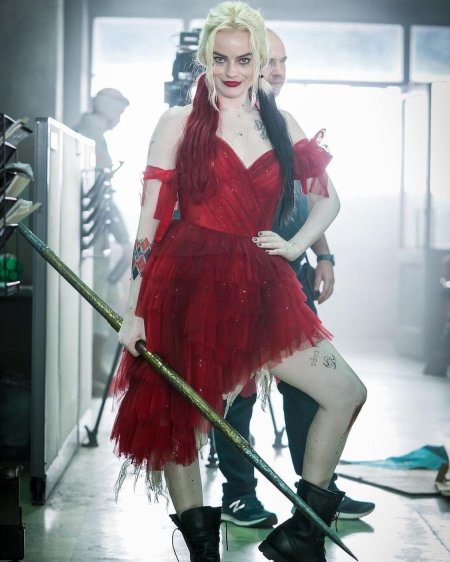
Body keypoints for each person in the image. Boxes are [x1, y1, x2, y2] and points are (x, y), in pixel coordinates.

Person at [112, 3, 367, 561]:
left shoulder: (281, 121)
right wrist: (134, 311)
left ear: (260, 61)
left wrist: (297, 246)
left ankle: (302, 534)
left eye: (245, 59)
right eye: (221, 58)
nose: (232, 71)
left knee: (346, 392)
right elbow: (149, 224)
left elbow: (329, 199)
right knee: (184, 419)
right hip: (189, 285)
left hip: (264, 288)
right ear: (205, 57)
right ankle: (202, 547)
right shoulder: (177, 123)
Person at [215, 29, 375, 530]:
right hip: (233, 280)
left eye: (283, 61)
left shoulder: (284, 125)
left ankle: (317, 490)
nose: (277, 70)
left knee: (310, 388)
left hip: (291, 274)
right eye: (268, 60)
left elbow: (309, 197)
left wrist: (322, 253)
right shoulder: (215, 123)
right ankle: (239, 494)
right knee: (235, 391)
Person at [75, 88, 132, 395]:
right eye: (119, 112)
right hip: (91, 235)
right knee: (99, 300)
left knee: (106, 296)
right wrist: (122, 235)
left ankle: (95, 368)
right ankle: (92, 370)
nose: (120, 119)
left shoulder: (93, 135)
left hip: (96, 235)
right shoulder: (90, 135)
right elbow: (101, 192)